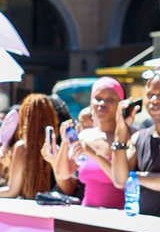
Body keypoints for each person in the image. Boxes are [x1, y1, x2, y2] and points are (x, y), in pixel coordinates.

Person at [48, 77, 126, 208]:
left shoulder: (127, 136)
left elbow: (121, 181)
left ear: (121, 103)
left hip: (118, 221)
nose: (102, 103)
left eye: (110, 99)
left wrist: (95, 154)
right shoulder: (85, 136)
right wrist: (65, 142)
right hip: (86, 218)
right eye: (98, 98)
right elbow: (63, 173)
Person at [106, 72, 160, 214]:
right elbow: (119, 180)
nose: (154, 100)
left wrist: (135, 177)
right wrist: (121, 130)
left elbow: (127, 178)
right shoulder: (138, 137)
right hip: (144, 228)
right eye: (150, 95)